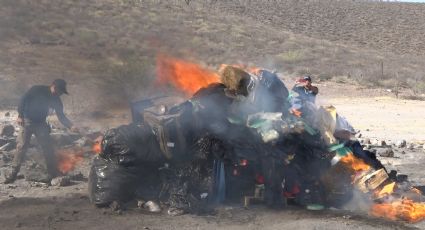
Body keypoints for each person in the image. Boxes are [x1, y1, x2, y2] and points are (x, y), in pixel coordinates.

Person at [4, 79, 77, 184]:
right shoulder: (37, 89)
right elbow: (23, 100)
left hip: (41, 123)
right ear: (54, 87)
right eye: (60, 91)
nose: (60, 94)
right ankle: (13, 173)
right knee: (22, 146)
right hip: (27, 121)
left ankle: (52, 172)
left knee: (47, 147)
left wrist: (71, 126)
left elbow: (61, 115)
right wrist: (20, 115)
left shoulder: (56, 99)